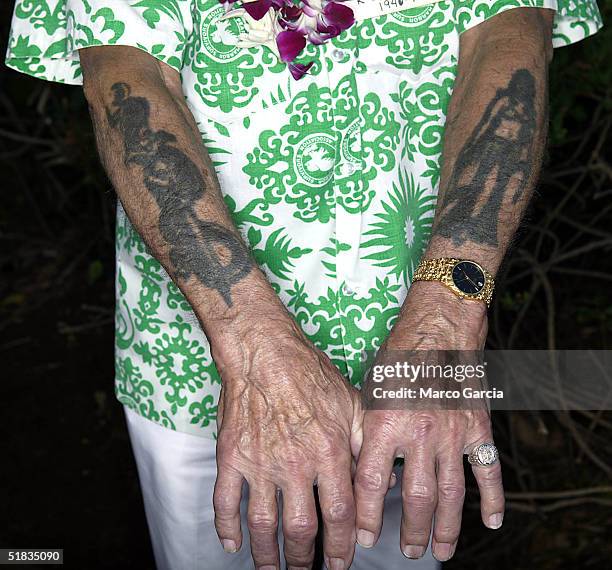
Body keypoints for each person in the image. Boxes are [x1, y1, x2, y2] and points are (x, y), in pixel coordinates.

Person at [5, 0, 602, 568]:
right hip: (195, 352)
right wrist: (252, 347)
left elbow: (509, 29)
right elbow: (126, 69)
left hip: (423, 326)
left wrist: (447, 316)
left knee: (404, 549)